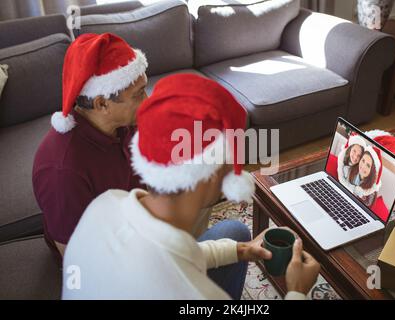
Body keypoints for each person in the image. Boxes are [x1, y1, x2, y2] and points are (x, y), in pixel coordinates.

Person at [62, 74, 320, 300]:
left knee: (235, 232)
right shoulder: (194, 295)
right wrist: (297, 290)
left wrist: (240, 251)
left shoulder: (107, 202)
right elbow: (170, 271)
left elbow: (173, 255)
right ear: (209, 173)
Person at [32, 33, 149, 261]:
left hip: (141, 226)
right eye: (138, 94)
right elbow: (77, 260)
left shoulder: (126, 125)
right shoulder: (63, 170)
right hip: (108, 260)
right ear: (102, 103)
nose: (147, 99)